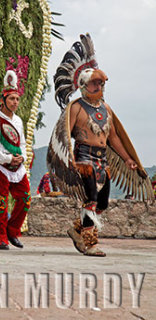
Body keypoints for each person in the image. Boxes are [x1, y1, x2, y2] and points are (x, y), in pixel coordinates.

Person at [47, 33, 154, 257]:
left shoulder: (106, 109)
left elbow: (114, 137)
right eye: (96, 82)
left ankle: (77, 229)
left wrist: (126, 158)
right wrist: (69, 160)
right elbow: (65, 133)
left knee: (102, 203)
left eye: (101, 83)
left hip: (102, 160)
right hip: (84, 157)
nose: (100, 86)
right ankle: (89, 242)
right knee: (90, 199)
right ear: (85, 85)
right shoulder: (76, 108)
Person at [0, 70, 31, 250]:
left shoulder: (18, 120)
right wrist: (7, 158)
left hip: (17, 167)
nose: (15, 102)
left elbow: (23, 142)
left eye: (17, 99)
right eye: (12, 99)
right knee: (0, 203)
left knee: (25, 198)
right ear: (3, 100)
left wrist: (22, 157)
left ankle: (12, 230)